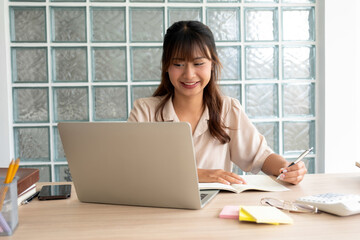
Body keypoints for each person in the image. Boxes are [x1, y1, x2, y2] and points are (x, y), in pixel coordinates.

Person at [128, 21, 307, 185]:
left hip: (215, 212)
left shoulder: (228, 109)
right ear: (166, 66)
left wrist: (287, 168)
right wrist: (196, 174)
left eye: (198, 63)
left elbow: (259, 156)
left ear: (212, 64)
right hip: (160, 212)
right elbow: (132, 170)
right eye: (178, 64)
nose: (189, 74)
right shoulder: (145, 111)